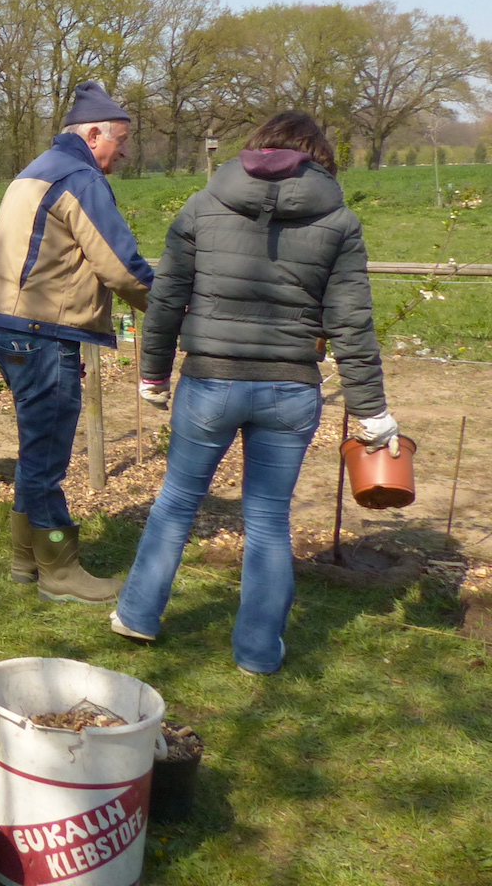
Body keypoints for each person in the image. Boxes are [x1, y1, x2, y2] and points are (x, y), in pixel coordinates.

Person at [112, 111, 399, 675]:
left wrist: (153, 374)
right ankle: (259, 652)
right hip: (290, 390)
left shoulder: (202, 204)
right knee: (268, 518)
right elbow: (352, 323)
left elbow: (167, 297)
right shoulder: (339, 220)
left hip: (209, 381)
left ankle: (138, 615)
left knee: (177, 501)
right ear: (317, 159)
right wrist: (372, 411)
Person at [0, 81, 154, 604]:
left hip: (10, 327)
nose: (123, 153)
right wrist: (171, 309)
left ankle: (25, 559)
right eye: (121, 141)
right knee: (48, 457)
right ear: (94, 134)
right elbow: (120, 265)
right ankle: (60, 571)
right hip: (43, 333)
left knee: (36, 448)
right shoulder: (79, 178)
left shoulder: (35, 170)